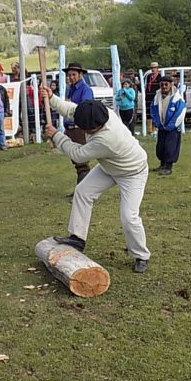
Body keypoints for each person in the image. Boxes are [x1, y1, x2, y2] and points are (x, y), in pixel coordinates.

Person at [40, 87, 151, 274]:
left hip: (132, 172)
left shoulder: (107, 139)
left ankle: (141, 256)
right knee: (83, 192)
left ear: (95, 127)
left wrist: (57, 135)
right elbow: (71, 110)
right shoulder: (97, 112)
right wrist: (52, 98)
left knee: (128, 216)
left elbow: (79, 154)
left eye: (84, 128)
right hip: (109, 166)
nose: (82, 130)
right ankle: (77, 237)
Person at [63, 62, 94, 185]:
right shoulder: (71, 89)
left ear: (80, 74)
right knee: (76, 158)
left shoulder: (85, 89)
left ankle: (83, 191)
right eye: (69, 75)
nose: (71, 77)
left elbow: (85, 109)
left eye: (73, 75)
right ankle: (82, 189)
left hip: (79, 128)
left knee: (81, 160)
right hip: (70, 127)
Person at [150, 75, 185, 175]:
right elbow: (153, 110)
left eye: (166, 84)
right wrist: (157, 123)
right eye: (162, 84)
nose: (164, 86)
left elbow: (181, 112)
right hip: (161, 126)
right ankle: (162, 164)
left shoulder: (177, 98)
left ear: (171, 85)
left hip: (172, 128)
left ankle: (168, 167)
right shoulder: (157, 97)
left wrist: (171, 125)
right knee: (160, 147)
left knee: (170, 147)